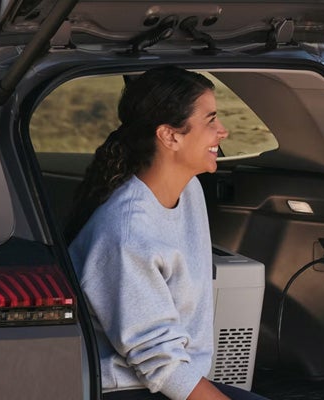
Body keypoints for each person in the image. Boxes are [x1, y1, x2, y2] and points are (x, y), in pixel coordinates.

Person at [66, 66, 268, 400]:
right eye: (210, 120)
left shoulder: (189, 191)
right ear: (170, 136)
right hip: (127, 390)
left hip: (173, 381)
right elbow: (158, 361)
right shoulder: (127, 232)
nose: (223, 131)